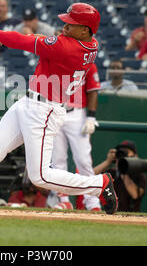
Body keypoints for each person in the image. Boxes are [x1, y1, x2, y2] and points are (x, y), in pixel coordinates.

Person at [0, 2, 119, 214]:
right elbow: (40, 48)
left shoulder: (66, 47)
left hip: (44, 111)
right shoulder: (90, 44)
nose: (64, 26)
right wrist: (1, 40)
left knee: (40, 176)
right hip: (29, 103)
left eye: (71, 24)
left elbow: (25, 40)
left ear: (85, 29)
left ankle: (98, 184)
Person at [50, 62, 102, 211]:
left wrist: (91, 117)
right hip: (55, 111)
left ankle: (92, 201)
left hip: (76, 114)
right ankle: (63, 199)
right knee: (57, 159)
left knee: (83, 160)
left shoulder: (87, 61)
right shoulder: (55, 57)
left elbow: (93, 90)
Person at [93, 140, 146, 212]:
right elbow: (91, 176)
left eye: (126, 152)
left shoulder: (139, 175)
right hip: (110, 213)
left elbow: (135, 195)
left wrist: (125, 169)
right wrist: (108, 161)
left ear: (135, 156)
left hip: (132, 215)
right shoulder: (112, 173)